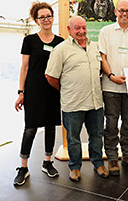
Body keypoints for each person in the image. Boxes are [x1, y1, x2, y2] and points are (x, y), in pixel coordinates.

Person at [45, 16, 109, 182]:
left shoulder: (95, 47)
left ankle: (98, 163)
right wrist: (65, 89)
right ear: (69, 30)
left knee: (96, 136)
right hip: (72, 104)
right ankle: (74, 167)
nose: (81, 31)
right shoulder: (60, 50)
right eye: (77, 28)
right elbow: (50, 76)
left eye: (83, 28)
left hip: (95, 102)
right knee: (73, 139)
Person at [13, 2, 64, 186]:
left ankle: (47, 162)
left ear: (53, 17)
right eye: (42, 17)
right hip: (34, 90)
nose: (46, 20)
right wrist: (21, 92)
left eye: (48, 16)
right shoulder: (30, 41)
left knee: (51, 127)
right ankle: (23, 167)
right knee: (30, 128)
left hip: (53, 90)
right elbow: (24, 67)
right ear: (36, 20)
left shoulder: (60, 42)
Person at [98, 0, 128, 176]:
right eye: (122, 10)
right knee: (111, 123)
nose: (125, 13)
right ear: (116, 12)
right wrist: (111, 76)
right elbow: (102, 57)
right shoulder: (105, 31)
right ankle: (112, 157)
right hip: (110, 86)